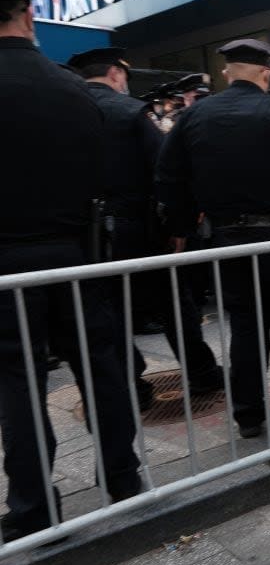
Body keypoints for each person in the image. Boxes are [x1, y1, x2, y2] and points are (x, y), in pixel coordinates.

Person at [0, 0, 141, 541]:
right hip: (75, 252)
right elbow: (98, 177)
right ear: (29, 14)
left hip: (6, 262)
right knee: (99, 367)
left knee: (20, 381)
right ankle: (124, 477)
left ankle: (34, 506)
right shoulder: (74, 91)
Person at [156, 38, 270, 439]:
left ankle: (249, 416)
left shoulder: (195, 115)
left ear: (226, 71)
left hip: (226, 239)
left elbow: (168, 176)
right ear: (266, 72)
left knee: (245, 326)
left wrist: (182, 227)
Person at [68, 47, 223, 400]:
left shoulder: (62, 112)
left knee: (109, 311)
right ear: (115, 74)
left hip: (85, 232)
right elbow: (165, 171)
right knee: (172, 303)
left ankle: (130, 384)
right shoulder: (130, 111)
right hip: (137, 227)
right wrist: (178, 226)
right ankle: (201, 373)